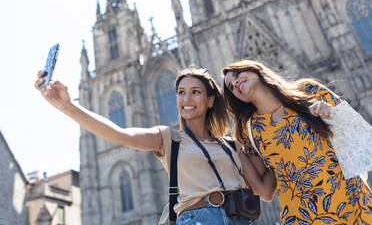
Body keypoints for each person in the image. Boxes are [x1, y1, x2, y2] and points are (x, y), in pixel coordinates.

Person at [35, 67, 276, 225]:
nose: (186, 99)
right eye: (181, 92)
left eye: (195, 92)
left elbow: (265, 191)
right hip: (197, 219)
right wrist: (68, 106)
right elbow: (120, 135)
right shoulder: (168, 138)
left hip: (239, 219)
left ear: (210, 99)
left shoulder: (232, 145)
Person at [222, 59, 372, 224]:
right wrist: (236, 148)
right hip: (304, 216)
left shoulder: (308, 90)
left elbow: (357, 131)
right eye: (231, 87)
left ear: (254, 69)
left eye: (237, 74)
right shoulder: (250, 130)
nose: (236, 83)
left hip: (351, 201)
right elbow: (265, 191)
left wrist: (331, 112)